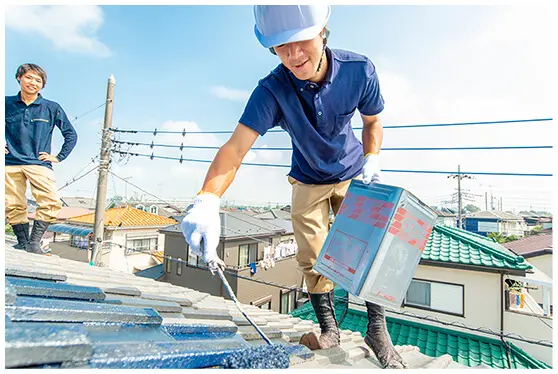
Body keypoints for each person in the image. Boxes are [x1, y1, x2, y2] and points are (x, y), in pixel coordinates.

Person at [181, 5, 407, 368]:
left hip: (353, 173)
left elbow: (373, 121)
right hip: (306, 178)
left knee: (365, 249)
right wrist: (208, 198)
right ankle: (329, 327)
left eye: (300, 40)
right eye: (280, 46)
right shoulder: (272, 90)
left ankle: (377, 328)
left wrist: (373, 157)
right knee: (313, 256)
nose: (293, 54)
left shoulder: (358, 70)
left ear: (322, 31)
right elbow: (236, 147)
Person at [5, 63, 78, 254]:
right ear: (19, 78)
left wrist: (59, 157)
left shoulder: (51, 108)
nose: (33, 82)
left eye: (38, 80)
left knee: (51, 202)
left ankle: (34, 242)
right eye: (29, 77)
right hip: (9, 163)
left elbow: (71, 134)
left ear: (42, 85)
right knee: (13, 205)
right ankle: (22, 242)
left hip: (39, 164)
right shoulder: (6, 103)